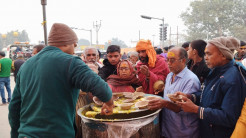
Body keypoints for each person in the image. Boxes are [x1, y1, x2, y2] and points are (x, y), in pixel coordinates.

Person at [8, 23, 114, 138]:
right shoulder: (71, 62)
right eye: (75, 45)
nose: (74, 50)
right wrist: (109, 103)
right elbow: (102, 88)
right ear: (67, 43)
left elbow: (14, 107)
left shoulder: (26, 65)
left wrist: (15, 134)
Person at [177, 36, 246, 138]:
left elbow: (228, 117)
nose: (205, 57)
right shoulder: (216, 71)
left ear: (223, 55)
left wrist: (196, 109)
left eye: (209, 54)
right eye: (205, 54)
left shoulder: (233, 78)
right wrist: (191, 97)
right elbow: (209, 95)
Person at [148, 47, 200, 138]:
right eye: (167, 60)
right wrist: (162, 90)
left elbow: (182, 107)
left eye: (172, 60)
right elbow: (171, 94)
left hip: (183, 131)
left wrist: (164, 103)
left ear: (183, 60)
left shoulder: (191, 80)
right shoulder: (170, 75)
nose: (168, 63)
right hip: (168, 127)